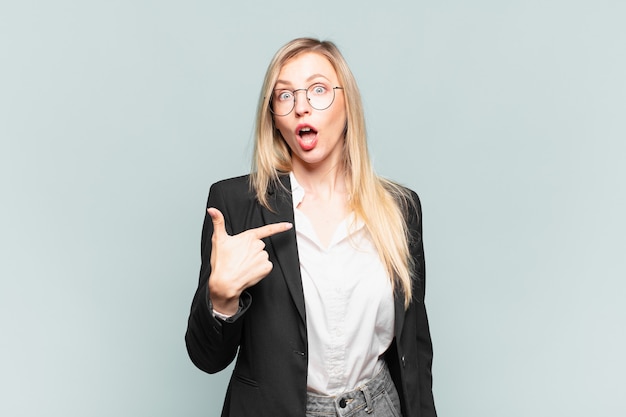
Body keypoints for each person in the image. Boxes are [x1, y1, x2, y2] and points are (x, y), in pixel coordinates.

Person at [185, 37, 437, 417]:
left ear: (347, 104)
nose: (302, 106)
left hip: (380, 405)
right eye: (284, 96)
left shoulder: (400, 209)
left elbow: (415, 352)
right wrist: (220, 299)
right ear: (273, 116)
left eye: (318, 90)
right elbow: (207, 358)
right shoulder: (236, 206)